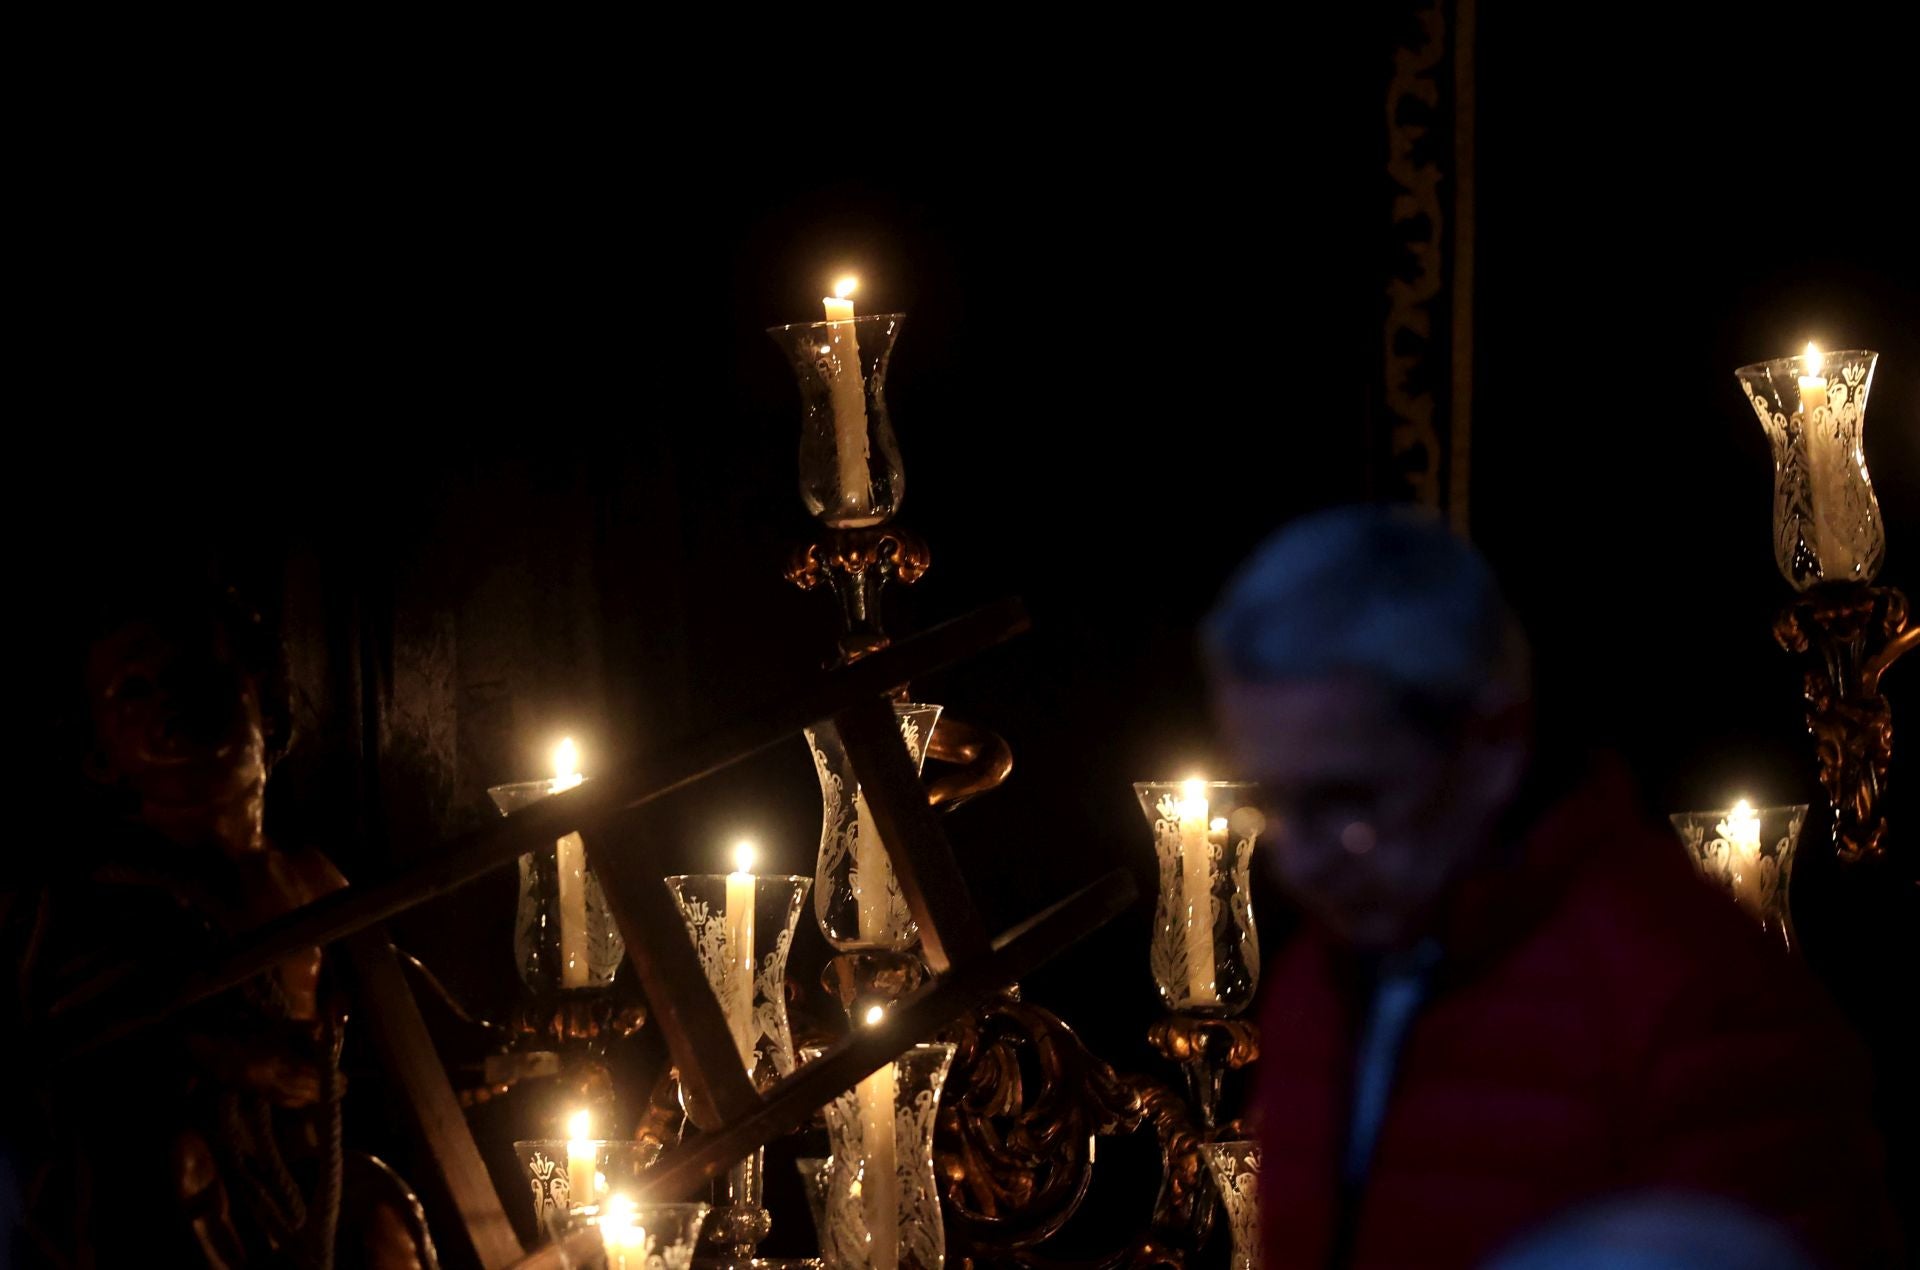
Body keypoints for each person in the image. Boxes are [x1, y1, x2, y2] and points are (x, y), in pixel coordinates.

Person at [1202, 505, 1898, 1269]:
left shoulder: (1694, 999)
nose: (1300, 862)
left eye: (1351, 802)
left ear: (1492, 748)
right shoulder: (1321, 982)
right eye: (1274, 803)